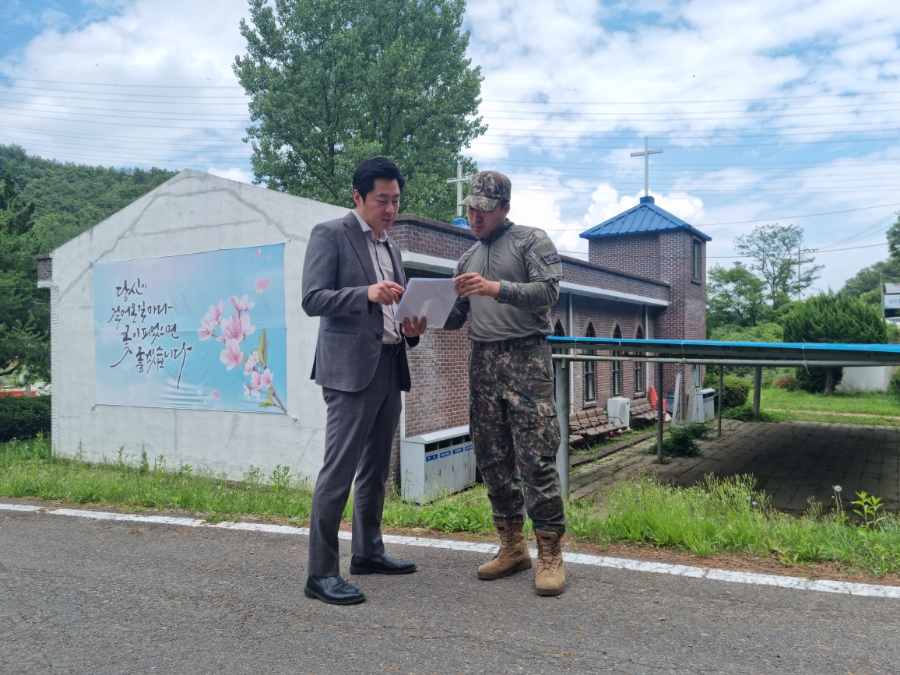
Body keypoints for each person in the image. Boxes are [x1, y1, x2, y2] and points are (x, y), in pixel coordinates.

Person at [301, 157, 427, 605]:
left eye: (395, 200)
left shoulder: (391, 248)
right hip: (349, 371)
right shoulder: (330, 235)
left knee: (375, 470)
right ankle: (320, 573)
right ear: (357, 197)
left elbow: (394, 308)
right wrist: (366, 294)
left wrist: (411, 327)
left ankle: (368, 552)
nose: (390, 208)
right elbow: (312, 299)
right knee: (338, 470)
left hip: (390, 363)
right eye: (381, 200)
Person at [443, 170, 567, 596]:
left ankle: (550, 552)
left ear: (505, 208)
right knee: (492, 458)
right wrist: (419, 318)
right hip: (483, 362)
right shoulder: (465, 258)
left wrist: (496, 288)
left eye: (483, 209)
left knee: (535, 459)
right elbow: (457, 315)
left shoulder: (531, 241)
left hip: (526, 358)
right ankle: (512, 546)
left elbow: (549, 292)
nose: (474, 217)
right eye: (470, 209)